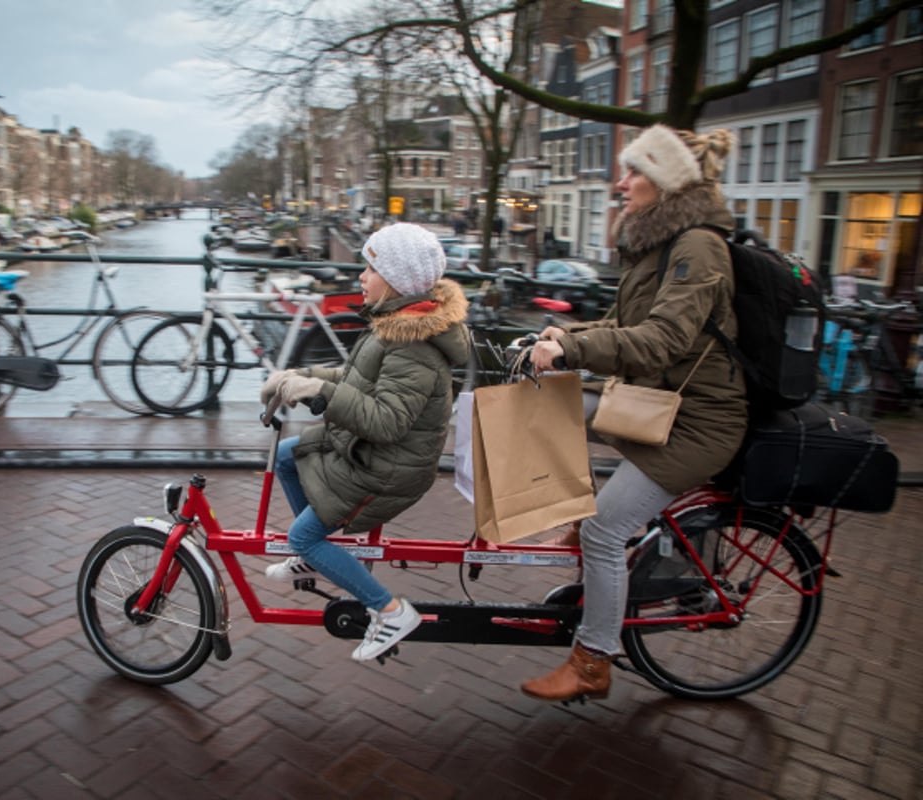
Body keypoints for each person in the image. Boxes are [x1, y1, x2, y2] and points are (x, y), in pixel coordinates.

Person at [523, 125, 747, 702]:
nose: (621, 183)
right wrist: (566, 334)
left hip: (696, 424)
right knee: (553, 405)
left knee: (607, 529)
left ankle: (593, 663)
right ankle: (577, 517)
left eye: (635, 172)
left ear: (667, 183)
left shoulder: (698, 246)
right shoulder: (659, 245)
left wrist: (571, 351)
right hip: (656, 406)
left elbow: (663, 340)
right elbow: (625, 328)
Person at [260, 222, 470, 662]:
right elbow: (355, 380)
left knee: (303, 536)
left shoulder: (414, 345)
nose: (360, 277)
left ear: (394, 280)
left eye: (369, 268)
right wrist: (300, 378)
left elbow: (387, 422)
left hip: (387, 469)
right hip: (368, 451)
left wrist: (320, 394)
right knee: (286, 457)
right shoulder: (394, 324)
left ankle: (390, 612)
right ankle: (315, 555)